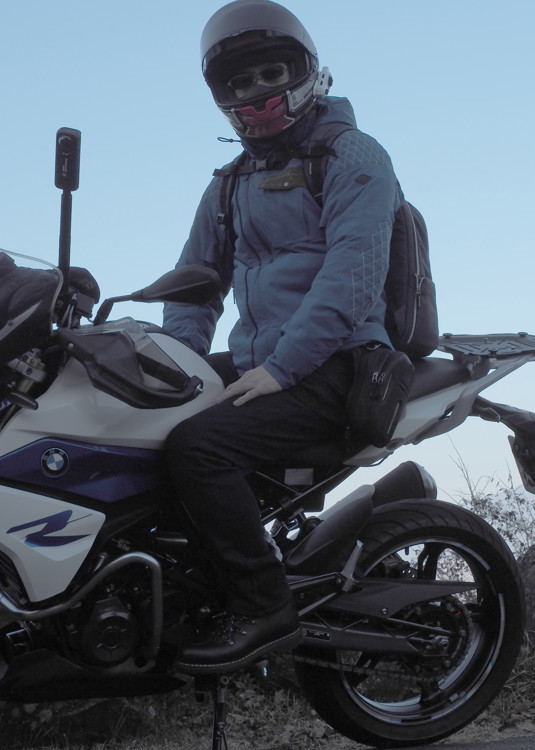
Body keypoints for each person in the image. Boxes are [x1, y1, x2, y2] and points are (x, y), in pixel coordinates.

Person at [161, 0, 403, 673]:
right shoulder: (229, 182)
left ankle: (263, 606)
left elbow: (353, 276)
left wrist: (283, 367)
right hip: (265, 362)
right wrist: (175, 367)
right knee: (140, 421)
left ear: (306, 72)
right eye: (240, 82)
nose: (258, 91)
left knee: (197, 450)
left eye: (271, 73)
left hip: (339, 361)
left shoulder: (352, 153)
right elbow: (194, 284)